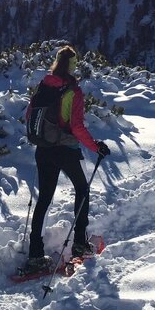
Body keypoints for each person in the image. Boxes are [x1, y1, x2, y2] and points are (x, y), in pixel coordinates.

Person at [25, 45, 110, 272]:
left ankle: (34, 254)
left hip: (43, 149)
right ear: (72, 66)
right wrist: (96, 146)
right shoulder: (73, 91)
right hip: (66, 149)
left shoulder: (44, 86)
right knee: (82, 189)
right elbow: (76, 126)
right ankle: (80, 244)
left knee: (44, 200)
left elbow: (28, 115)